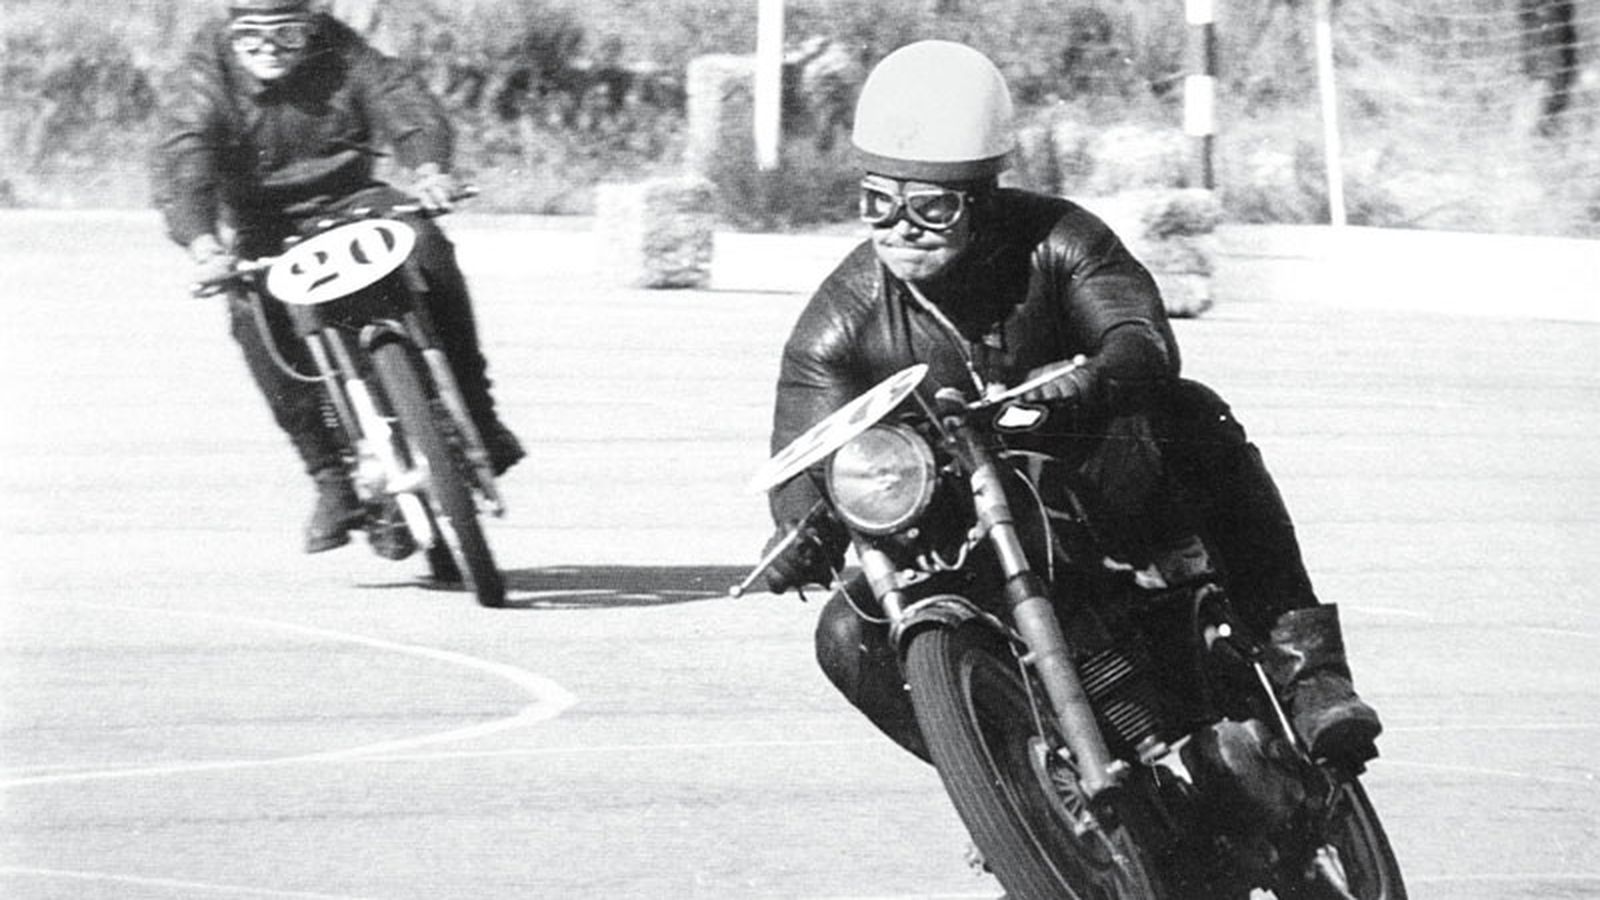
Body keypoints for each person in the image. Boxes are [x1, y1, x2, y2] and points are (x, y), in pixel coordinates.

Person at [758, 40, 1382, 766]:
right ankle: (1020, 791)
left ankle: (1308, 673)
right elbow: (806, 464)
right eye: (877, 201)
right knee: (845, 632)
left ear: (982, 201)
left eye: (928, 206)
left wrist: (1090, 382)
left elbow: (1138, 336)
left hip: (1099, 487)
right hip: (963, 538)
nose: (898, 226)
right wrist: (797, 534)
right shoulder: (836, 325)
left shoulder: (1059, 239)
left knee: (1192, 414)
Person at [151, 0, 523, 554]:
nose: (270, 49)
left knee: (428, 245)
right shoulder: (202, 77)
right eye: (252, 35)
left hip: (356, 199)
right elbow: (186, 160)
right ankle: (329, 476)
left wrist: (428, 169)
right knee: (251, 312)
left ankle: (481, 415)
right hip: (264, 224)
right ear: (230, 31)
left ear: (312, 26)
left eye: (289, 33)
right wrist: (204, 243)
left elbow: (401, 100)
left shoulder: (343, 50)